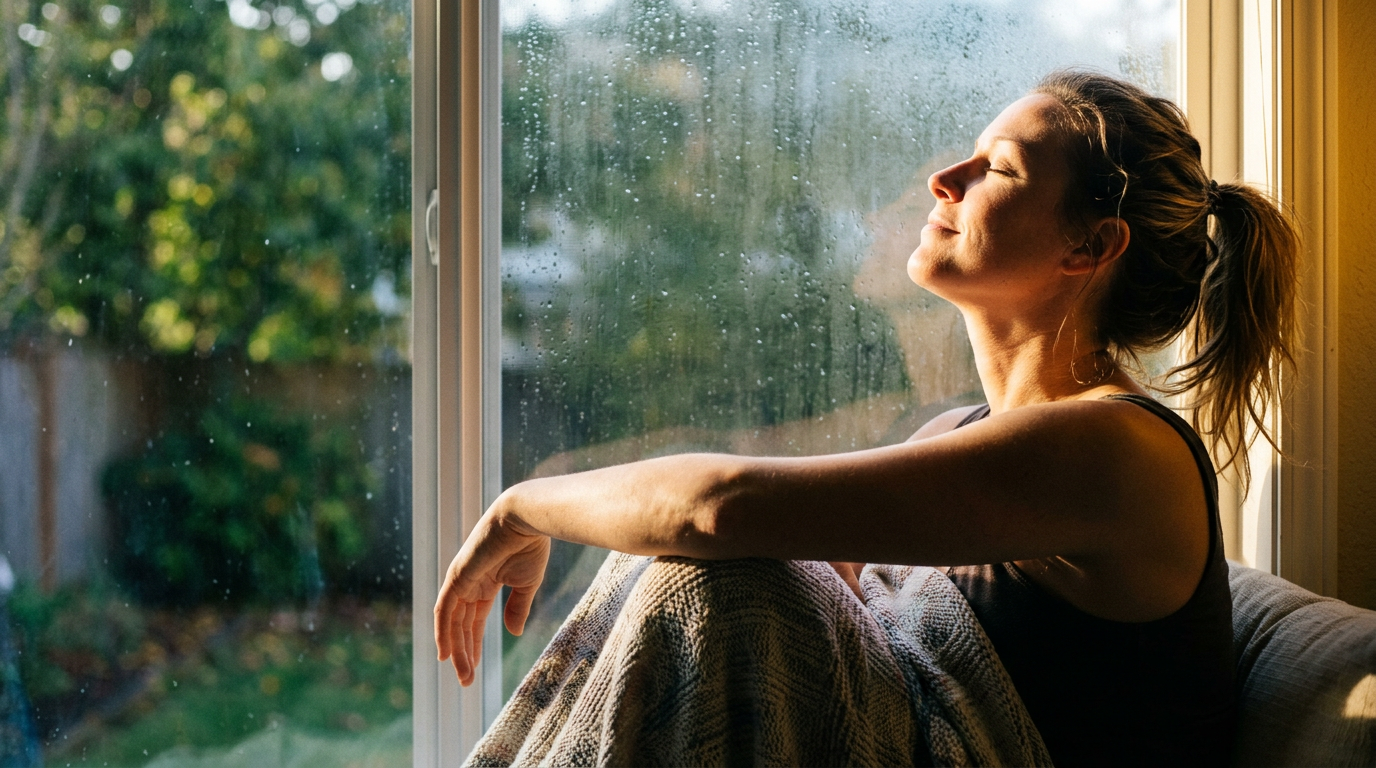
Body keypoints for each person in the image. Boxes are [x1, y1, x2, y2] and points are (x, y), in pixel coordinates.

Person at [434, 70, 1298, 766]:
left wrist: (524, 505)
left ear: (1091, 246)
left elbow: (720, 509)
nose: (943, 179)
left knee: (719, 578)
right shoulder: (954, 437)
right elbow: (809, 585)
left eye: (996, 169)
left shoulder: (1114, 448)